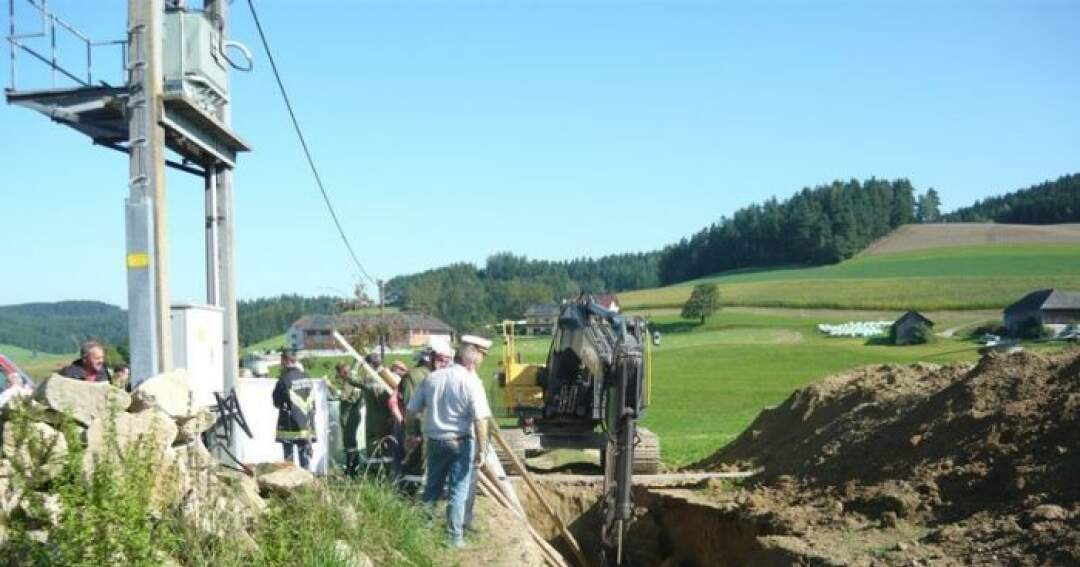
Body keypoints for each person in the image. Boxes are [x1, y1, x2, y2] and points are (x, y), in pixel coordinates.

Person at [405, 335, 492, 548]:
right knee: (458, 490)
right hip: (460, 441)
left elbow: (411, 411)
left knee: (432, 487)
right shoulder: (471, 381)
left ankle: (422, 533)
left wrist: (410, 433)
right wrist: (483, 449)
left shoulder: (432, 378)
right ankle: (454, 538)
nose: (481, 362)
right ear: (472, 360)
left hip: (434, 440)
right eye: (481, 357)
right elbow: (481, 419)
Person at [272, 349, 316, 470]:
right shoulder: (307, 377)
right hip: (306, 425)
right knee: (305, 458)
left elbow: (276, 402)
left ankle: (292, 485)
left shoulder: (284, 379)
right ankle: (307, 485)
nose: (280, 363)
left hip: (289, 425)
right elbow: (312, 402)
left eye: (281, 360)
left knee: (289, 463)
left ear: (286, 360)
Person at [360, 353, 394, 472]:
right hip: (378, 418)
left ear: (370, 364)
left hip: (382, 418)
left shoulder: (382, 376)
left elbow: (392, 394)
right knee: (377, 446)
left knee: (381, 446)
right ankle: (379, 471)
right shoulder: (375, 376)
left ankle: (380, 472)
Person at [333, 360, 364, 477]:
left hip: (349, 414)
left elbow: (343, 396)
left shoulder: (349, 381)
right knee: (352, 442)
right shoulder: (357, 379)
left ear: (342, 371)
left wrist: (330, 387)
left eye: (339, 373)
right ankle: (354, 468)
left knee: (349, 443)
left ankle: (351, 471)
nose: (339, 376)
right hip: (355, 413)